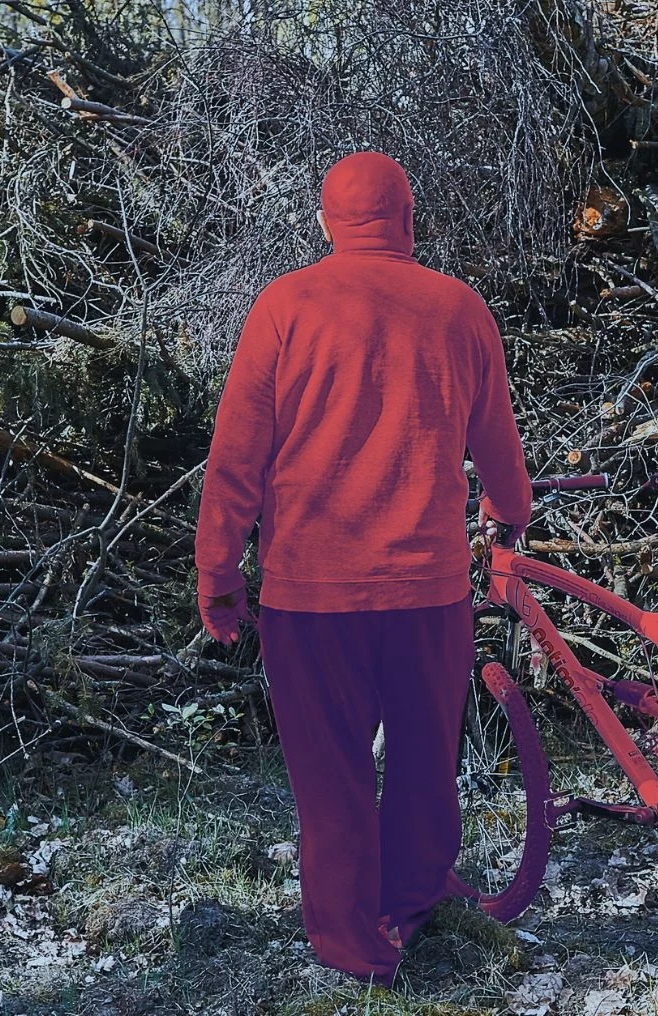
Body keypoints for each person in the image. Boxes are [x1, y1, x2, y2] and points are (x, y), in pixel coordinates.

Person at [194, 151, 532, 988]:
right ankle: (410, 901)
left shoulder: (285, 306)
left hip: (312, 596)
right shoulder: (460, 309)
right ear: (408, 219)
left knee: (332, 774)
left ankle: (352, 943)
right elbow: (499, 450)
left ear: (325, 221)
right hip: (428, 589)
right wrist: (505, 519)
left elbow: (237, 457)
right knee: (425, 757)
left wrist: (219, 571)